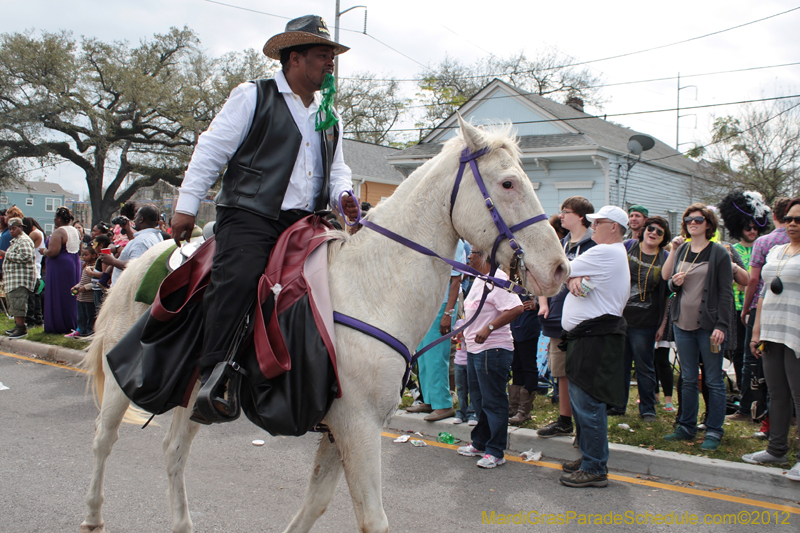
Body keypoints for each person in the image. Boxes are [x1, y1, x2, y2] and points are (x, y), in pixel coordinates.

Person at [170, 15, 358, 424]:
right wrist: (186, 206)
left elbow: (337, 170)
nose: (331, 63)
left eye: (332, 57)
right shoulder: (252, 96)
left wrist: (343, 196)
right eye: (322, 55)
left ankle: (314, 384)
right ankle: (215, 377)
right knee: (238, 279)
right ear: (294, 58)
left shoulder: (330, 115)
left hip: (306, 223)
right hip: (250, 215)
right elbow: (211, 150)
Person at [558, 205, 630, 488]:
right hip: (590, 335)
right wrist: (572, 277)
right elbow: (567, 272)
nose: (593, 227)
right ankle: (590, 457)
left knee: (588, 403)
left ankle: (595, 466)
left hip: (593, 337)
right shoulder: (611, 253)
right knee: (582, 403)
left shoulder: (605, 252)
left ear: (614, 227)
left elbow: (558, 268)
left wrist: (570, 275)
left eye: (598, 222)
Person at [662, 203, 733, 451]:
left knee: (713, 380)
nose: (692, 223)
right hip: (682, 324)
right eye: (688, 219)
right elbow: (669, 284)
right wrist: (674, 283)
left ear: (709, 224)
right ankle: (686, 426)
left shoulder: (719, 253)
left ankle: (714, 430)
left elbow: (726, 292)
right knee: (688, 378)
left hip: (709, 327)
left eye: (698, 220)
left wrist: (722, 325)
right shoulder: (682, 250)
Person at [745, 198, 800, 482]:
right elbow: (764, 292)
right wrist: (757, 332)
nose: (793, 224)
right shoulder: (777, 250)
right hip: (772, 331)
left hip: (796, 333)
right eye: (789, 219)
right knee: (777, 393)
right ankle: (776, 450)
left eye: (799, 220)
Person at [456, 248, 523, 468]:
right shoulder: (478, 279)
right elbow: (476, 313)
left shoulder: (498, 279)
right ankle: (480, 442)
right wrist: (463, 331)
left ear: (485, 255)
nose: (468, 256)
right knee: (479, 400)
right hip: (474, 349)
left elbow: (516, 308)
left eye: (473, 252)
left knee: (493, 401)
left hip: (493, 350)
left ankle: (496, 451)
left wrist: (490, 327)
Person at [537, 196, 596, 438]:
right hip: (556, 317)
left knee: (581, 373)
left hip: (583, 320)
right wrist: (543, 303)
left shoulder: (594, 245)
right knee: (560, 371)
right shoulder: (560, 244)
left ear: (581, 216)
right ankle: (564, 420)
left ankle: (585, 425)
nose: (561, 215)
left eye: (566, 211)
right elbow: (544, 276)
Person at [734, 197, 791, 429]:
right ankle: (785, 413)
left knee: (752, 359)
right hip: (790, 311)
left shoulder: (765, 242)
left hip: (763, 306)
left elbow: (754, 279)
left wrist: (746, 308)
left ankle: (748, 407)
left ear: (773, 216)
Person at [406, 240, 465, 421]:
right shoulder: (431, 237)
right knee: (424, 357)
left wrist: (448, 313)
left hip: (442, 305)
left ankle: (443, 404)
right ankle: (430, 400)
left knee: (436, 357)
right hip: (427, 304)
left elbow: (456, 281)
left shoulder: (454, 243)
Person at [620, 216, 671, 421]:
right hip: (620, 317)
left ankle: (648, 408)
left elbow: (667, 295)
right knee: (620, 365)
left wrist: (663, 324)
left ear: (664, 237)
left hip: (647, 321)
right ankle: (617, 405)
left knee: (645, 366)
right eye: (651, 228)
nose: (653, 233)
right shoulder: (628, 247)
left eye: (659, 232)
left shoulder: (665, 258)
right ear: (644, 230)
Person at [39, 207, 81, 334]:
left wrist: (44, 251)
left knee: (59, 292)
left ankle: (58, 324)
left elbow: (53, 252)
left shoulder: (59, 232)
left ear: (58, 219)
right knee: (70, 293)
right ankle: (72, 322)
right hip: (73, 262)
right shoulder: (75, 231)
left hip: (59, 265)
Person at [99, 204, 164, 285]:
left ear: (141, 219)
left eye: (136, 217)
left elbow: (135, 266)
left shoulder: (141, 241)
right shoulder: (156, 236)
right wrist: (127, 229)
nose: (134, 220)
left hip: (126, 289)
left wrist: (113, 261)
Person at [1, 218, 37, 338]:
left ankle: (21, 328)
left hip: (20, 279)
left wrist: (5, 254)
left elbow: (26, 256)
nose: (11, 231)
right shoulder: (16, 241)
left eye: (14, 228)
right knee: (14, 303)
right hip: (13, 279)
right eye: (10, 229)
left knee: (19, 302)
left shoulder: (24, 240)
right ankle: (17, 325)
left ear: (21, 228)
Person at [508, 294, 541, 425]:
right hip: (513, 326)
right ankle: (513, 406)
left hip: (528, 326)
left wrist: (537, 304)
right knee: (516, 367)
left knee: (528, 366)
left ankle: (524, 410)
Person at [68, 245, 99, 338]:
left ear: (93, 255)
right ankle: (80, 330)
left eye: (86, 255)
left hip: (89, 298)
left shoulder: (94, 268)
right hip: (81, 298)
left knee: (90, 316)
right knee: (81, 316)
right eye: (83, 255)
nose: (84, 257)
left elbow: (95, 282)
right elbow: (82, 281)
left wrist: (85, 287)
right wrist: (77, 287)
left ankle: (89, 332)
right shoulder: (86, 266)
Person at [451, 318, 477, 426]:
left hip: (472, 360)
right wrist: (454, 338)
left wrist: (465, 334)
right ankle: (461, 411)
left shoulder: (477, 321)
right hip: (459, 361)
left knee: (473, 388)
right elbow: (455, 338)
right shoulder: (459, 323)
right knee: (461, 388)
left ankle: (473, 412)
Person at [21, 217, 45, 328]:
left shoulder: (34, 234)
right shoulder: (40, 232)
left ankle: (30, 320)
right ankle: (38, 319)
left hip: (32, 269)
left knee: (31, 297)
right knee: (35, 297)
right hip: (36, 268)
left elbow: (24, 247)